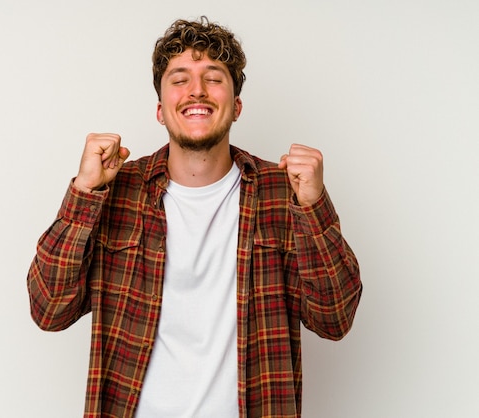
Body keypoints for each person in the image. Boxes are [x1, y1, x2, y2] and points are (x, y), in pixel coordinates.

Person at [27, 16, 362, 418]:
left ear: (236, 106)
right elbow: (49, 310)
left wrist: (313, 207)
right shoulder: (114, 190)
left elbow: (335, 318)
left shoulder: (282, 192)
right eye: (180, 78)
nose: (197, 90)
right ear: (160, 109)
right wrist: (84, 193)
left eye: (214, 77)